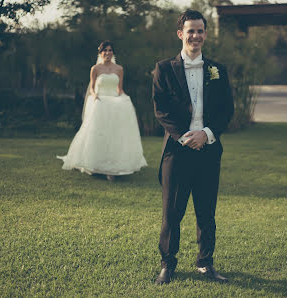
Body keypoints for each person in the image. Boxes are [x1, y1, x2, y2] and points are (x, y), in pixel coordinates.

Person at [152, 10, 235, 284]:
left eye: (200, 31)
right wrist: (186, 136)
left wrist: (207, 134)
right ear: (180, 34)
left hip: (209, 150)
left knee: (206, 211)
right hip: (177, 150)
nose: (195, 36)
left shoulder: (218, 70)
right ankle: (168, 263)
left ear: (205, 34)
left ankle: (205, 263)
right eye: (191, 31)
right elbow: (161, 110)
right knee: (172, 211)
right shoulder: (164, 68)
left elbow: (226, 110)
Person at [57, 40, 147, 180]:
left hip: (114, 103)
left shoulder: (119, 69)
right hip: (100, 101)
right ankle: (94, 164)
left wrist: (124, 97)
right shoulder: (96, 69)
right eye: (105, 50)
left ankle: (113, 167)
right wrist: (95, 96)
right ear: (100, 53)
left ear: (113, 53)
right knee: (98, 134)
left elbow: (119, 89)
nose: (107, 53)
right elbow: (92, 88)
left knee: (114, 134)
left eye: (110, 50)